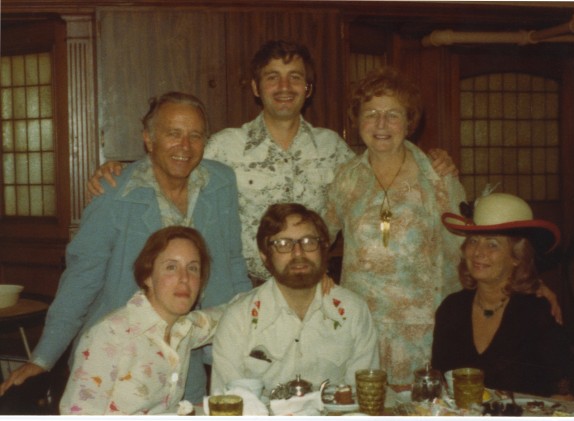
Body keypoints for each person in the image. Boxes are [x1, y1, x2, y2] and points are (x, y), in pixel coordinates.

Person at [86, 40, 458, 286]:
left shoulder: (334, 149)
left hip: (315, 291)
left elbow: (383, 169)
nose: (284, 86)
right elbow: (174, 161)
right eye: (272, 77)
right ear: (255, 87)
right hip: (242, 289)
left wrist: (436, 160)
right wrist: (120, 168)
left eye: (295, 77)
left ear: (307, 89)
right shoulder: (223, 147)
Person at [0, 92, 250, 402]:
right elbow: (82, 278)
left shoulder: (220, 182)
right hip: (122, 354)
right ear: (149, 139)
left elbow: (233, 261)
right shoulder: (114, 192)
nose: (185, 146)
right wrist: (42, 358)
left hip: (193, 346)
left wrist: (249, 330)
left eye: (195, 135)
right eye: (173, 134)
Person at [322, 66, 466, 386]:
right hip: (362, 326)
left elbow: (463, 246)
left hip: (424, 330)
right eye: (371, 113)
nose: (381, 124)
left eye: (393, 114)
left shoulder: (436, 175)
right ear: (357, 120)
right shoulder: (346, 178)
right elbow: (319, 239)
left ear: (409, 121)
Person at [210, 203, 379, 393]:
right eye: (283, 244)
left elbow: (362, 396)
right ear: (265, 256)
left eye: (308, 242)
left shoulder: (353, 311)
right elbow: (225, 402)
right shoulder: (239, 319)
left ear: (323, 250)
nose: (298, 253)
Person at [60, 226, 221, 415]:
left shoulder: (185, 327)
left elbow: (231, 313)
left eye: (193, 268)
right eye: (171, 267)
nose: (184, 278)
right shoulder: (109, 336)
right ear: (148, 276)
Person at [431, 192, 574, 399]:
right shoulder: (451, 308)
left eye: (492, 244)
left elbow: (563, 395)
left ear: (517, 257)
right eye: (473, 241)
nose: (478, 252)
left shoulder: (538, 312)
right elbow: (440, 387)